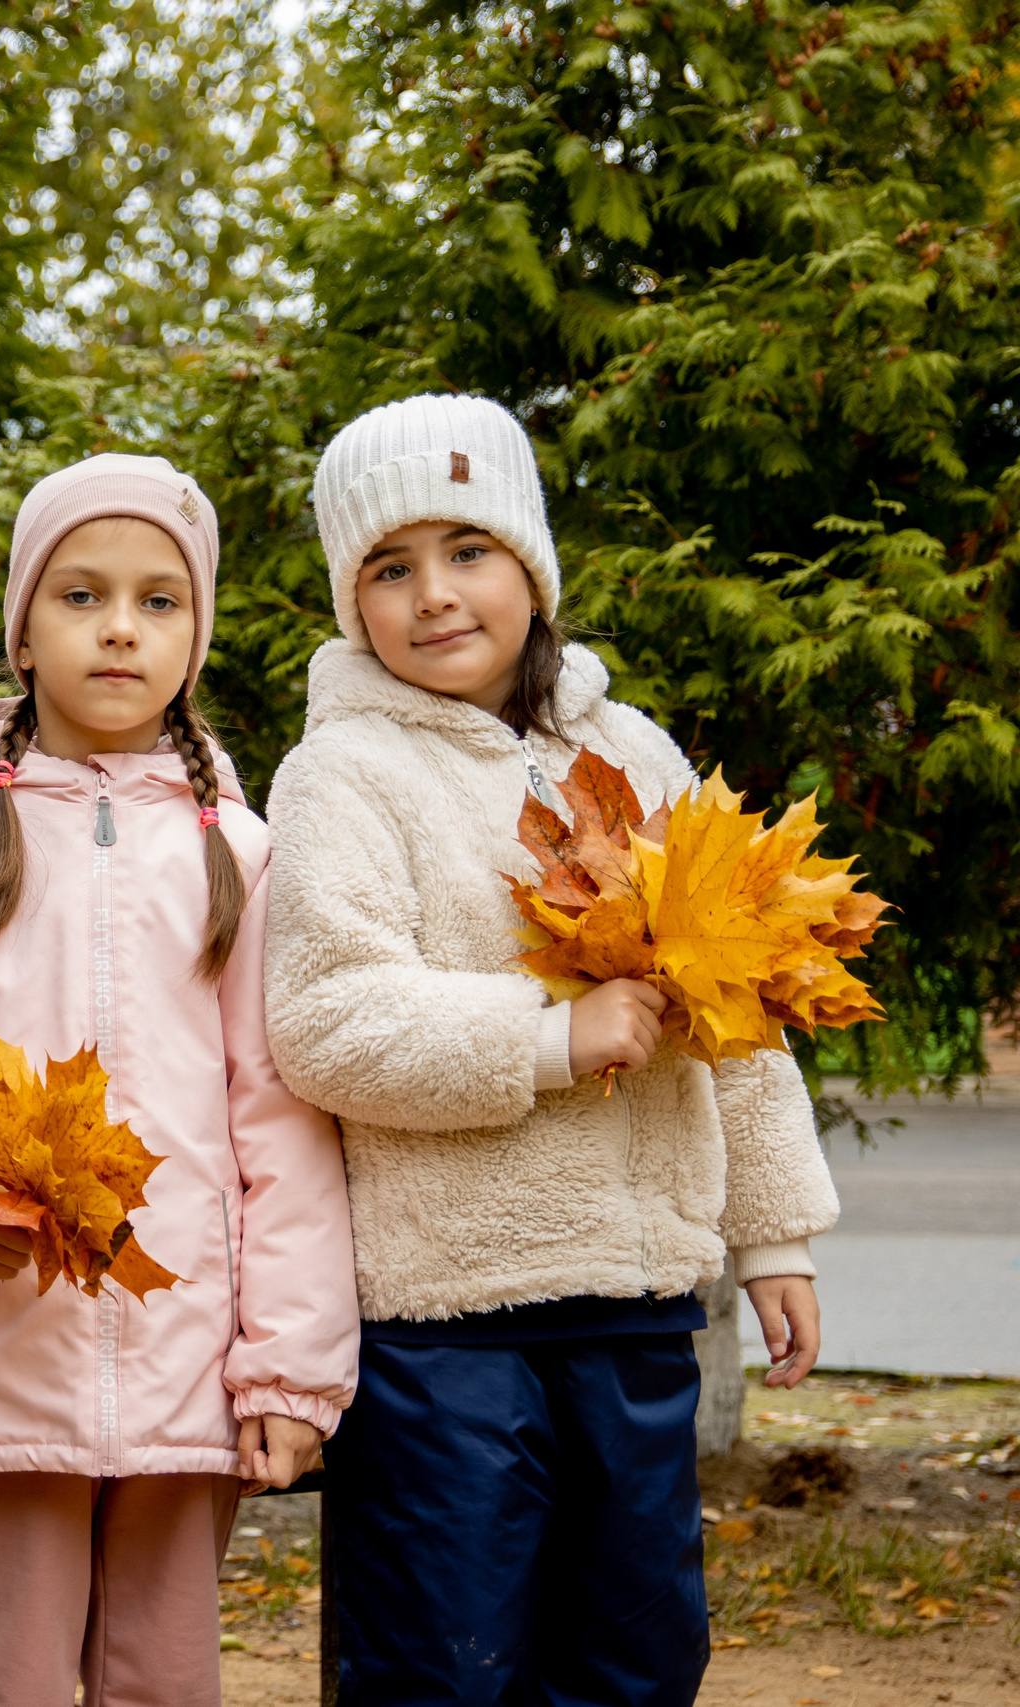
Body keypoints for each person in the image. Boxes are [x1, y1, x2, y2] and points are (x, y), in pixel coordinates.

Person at [262, 394, 840, 1706]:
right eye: (390, 569)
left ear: (531, 560)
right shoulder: (347, 772)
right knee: (445, 1660)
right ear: (355, 603)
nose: (435, 595)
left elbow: (731, 995)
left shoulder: (633, 751)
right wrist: (545, 1038)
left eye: (468, 550)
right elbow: (327, 1016)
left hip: (638, 1306)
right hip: (449, 1319)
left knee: (635, 1655)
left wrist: (777, 1232)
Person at [0, 455, 359, 1707]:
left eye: (158, 600)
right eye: (80, 595)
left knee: (166, 1685)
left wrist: (289, 1369)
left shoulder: (242, 856)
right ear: (21, 628)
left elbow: (282, 1125)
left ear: (196, 637)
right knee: (8, 1684)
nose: (120, 628)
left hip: (186, 1364)